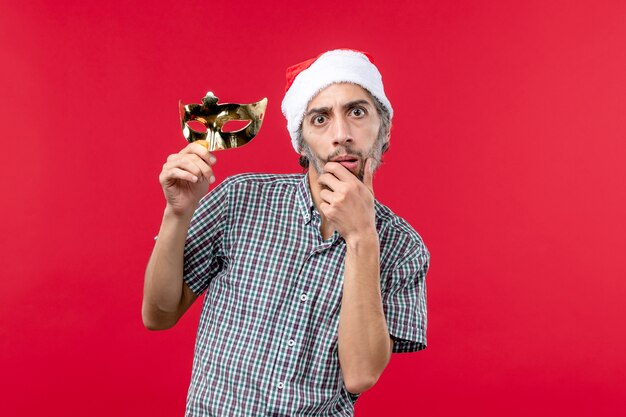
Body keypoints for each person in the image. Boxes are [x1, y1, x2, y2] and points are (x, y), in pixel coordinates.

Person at [143, 49, 429, 417]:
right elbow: (158, 315)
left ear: (383, 126)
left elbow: (360, 375)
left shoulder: (404, 247)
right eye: (321, 119)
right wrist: (176, 215)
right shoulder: (241, 198)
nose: (341, 135)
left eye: (357, 112)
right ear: (301, 139)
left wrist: (362, 238)